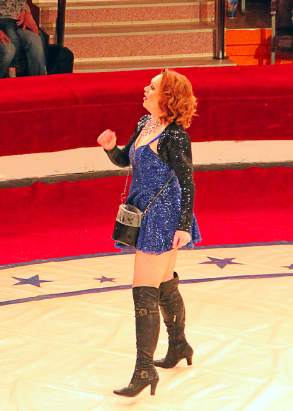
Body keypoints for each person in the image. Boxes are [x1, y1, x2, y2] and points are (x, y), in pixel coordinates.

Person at [97, 69, 201, 398]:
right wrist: (111, 149)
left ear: (166, 98)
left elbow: (188, 183)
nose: (145, 88)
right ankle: (180, 344)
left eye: (152, 86)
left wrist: (183, 226)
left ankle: (144, 369)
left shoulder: (175, 136)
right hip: (148, 211)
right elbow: (126, 159)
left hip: (163, 216)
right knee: (164, 281)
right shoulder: (146, 125)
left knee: (144, 290)